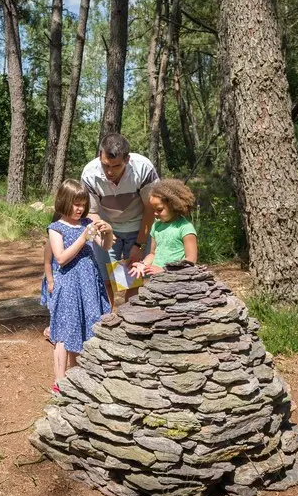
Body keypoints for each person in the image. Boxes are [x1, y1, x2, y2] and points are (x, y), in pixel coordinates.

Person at [44, 179, 112, 394]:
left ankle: (80, 374)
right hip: (69, 285)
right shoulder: (56, 228)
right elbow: (61, 258)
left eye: (83, 204)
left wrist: (107, 231)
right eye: (76, 204)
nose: (80, 209)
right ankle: (60, 382)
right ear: (64, 202)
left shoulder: (85, 224)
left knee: (86, 325)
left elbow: (105, 245)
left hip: (89, 283)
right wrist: (84, 237)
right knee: (64, 330)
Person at [81, 133, 159, 310]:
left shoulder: (143, 169)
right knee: (105, 279)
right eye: (105, 165)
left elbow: (150, 209)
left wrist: (139, 245)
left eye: (115, 166)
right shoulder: (89, 173)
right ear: (100, 155)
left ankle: (128, 322)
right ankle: (106, 322)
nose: (109, 172)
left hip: (138, 225)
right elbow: (91, 212)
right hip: (106, 226)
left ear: (127, 159)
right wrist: (106, 233)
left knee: (131, 281)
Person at [130, 179, 198, 277]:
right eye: (153, 209)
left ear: (174, 205)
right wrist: (143, 264)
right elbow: (153, 254)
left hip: (178, 280)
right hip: (156, 278)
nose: (155, 213)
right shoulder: (156, 226)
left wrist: (165, 270)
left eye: (159, 209)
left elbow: (191, 259)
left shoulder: (185, 228)